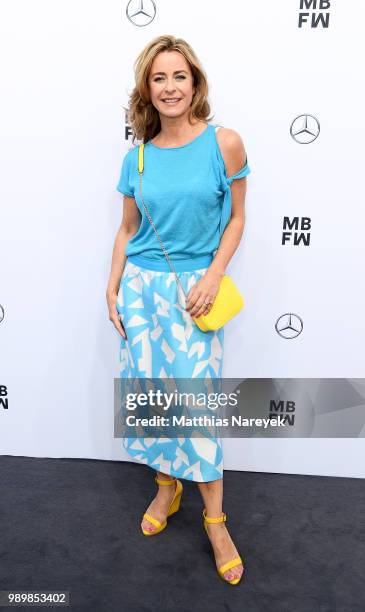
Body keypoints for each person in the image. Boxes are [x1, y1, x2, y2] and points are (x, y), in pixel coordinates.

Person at [106, 34, 251, 585]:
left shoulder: (225, 144)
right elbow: (127, 230)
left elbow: (237, 220)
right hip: (141, 291)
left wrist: (214, 275)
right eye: (158, 78)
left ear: (196, 84)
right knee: (152, 399)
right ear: (147, 88)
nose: (170, 87)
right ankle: (167, 489)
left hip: (196, 291)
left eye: (179, 77)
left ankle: (216, 521)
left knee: (197, 409)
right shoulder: (136, 156)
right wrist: (112, 286)